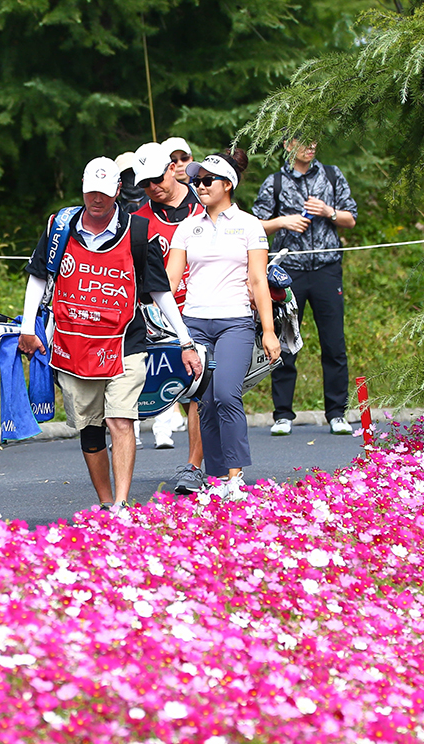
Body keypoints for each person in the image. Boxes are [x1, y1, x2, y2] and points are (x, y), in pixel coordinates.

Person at [17, 157, 202, 512]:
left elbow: (160, 290)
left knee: (120, 419)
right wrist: (28, 328)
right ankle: (105, 502)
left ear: (117, 190)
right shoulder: (60, 226)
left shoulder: (138, 232)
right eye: (91, 192)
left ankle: (120, 502)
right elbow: (39, 275)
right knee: (89, 428)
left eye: (103, 192)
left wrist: (185, 340)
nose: (97, 199)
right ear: (82, 188)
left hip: (125, 343)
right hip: (74, 345)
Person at [166, 151, 281, 500]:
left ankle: (235, 475)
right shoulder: (187, 227)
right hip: (195, 323)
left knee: (226, 394)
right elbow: (170, 280)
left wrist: (269, 331)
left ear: (228, 184)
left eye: (207, 180)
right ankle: (216, 478)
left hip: (235, 321)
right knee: (203, 401)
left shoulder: (249, 225)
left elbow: (258, 281)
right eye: (196, 181)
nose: (199, 186)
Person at [252, 138, 358, 436]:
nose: (310, 146)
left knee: (334, 343)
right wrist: (283, 222)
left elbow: (351, 219)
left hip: (327, 269)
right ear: (288, 145)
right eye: (302, 140)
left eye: (314, 139)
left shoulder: (332, 175)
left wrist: (328, 211)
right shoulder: (274, 182)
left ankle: (337, 413)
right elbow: (255, 225)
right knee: (284, 343)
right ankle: (282, 415)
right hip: (288, 272)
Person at [128, 141, 207, 479]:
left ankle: (195, 465)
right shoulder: (137, 221)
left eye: (157, 179)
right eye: (145, 183)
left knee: (204, 390)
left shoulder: (205, 203)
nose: (153, 187)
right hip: (162, 318)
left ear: (173, 169)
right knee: (183, 389)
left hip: (207, 308)